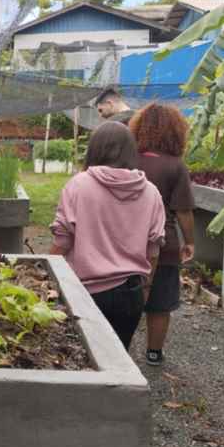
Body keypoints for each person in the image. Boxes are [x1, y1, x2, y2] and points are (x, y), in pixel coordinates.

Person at [50, 121, 166, 351]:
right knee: (118, 359)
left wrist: (46, 279)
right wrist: (145, 288)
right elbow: (153, 249)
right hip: (131, 294)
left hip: (84, 292)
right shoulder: (151, 192)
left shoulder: (78, 185)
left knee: (82, 358)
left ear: (94, 149)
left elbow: (62, 242)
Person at [129, 103, 195, 366]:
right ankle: (154, 353)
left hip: (126, 242)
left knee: (126, 296)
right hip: (164, 244)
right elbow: (184, 210)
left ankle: (119, 347)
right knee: (160, 303)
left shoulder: (127, 161)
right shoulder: (176, 166)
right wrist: (189, 241)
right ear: (175, 131)